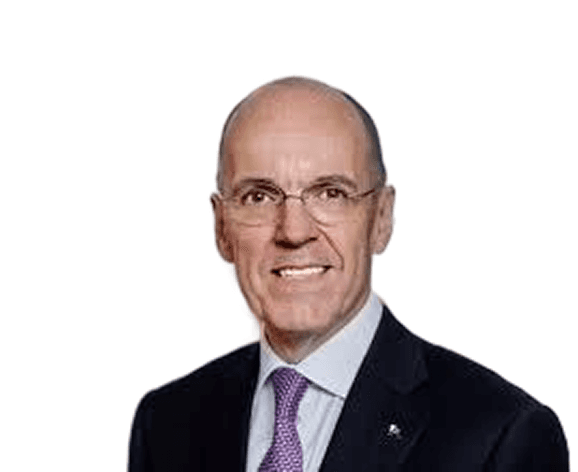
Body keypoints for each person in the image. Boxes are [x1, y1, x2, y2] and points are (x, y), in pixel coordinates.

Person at [128, 77, 568, 471]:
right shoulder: (166, 423)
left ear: (381, 218)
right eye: (259, 196)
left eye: (330, 193)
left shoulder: (500, 437)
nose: (293, 232)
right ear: (222, 227)